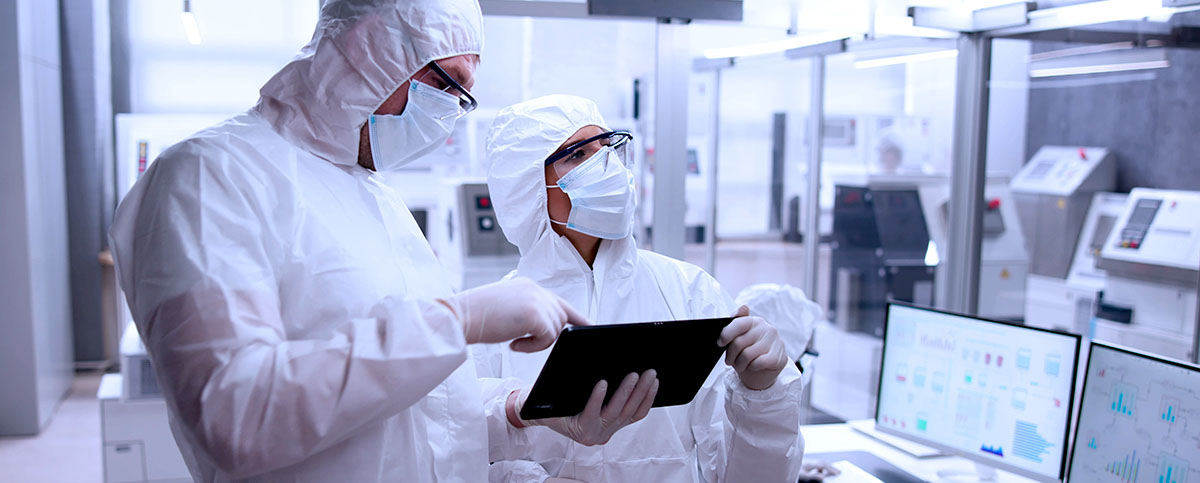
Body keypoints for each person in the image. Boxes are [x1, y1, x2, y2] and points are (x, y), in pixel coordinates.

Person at [108, 2, 655, 481]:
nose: (444, 118)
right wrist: (459, 320)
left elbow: (417, 410)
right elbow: (236, 417)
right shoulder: (211, 177)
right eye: (444, 85)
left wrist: (520, 412)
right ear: (368, 46)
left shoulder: (374, 196)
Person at [476, 95, 806, 482]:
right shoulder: (495, 318)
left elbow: (751, 477)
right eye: (577, 155)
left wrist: (761, 395)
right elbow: (453, 455)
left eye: (608, 146)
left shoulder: (687, 291)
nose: (606, 164)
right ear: (526, 188)